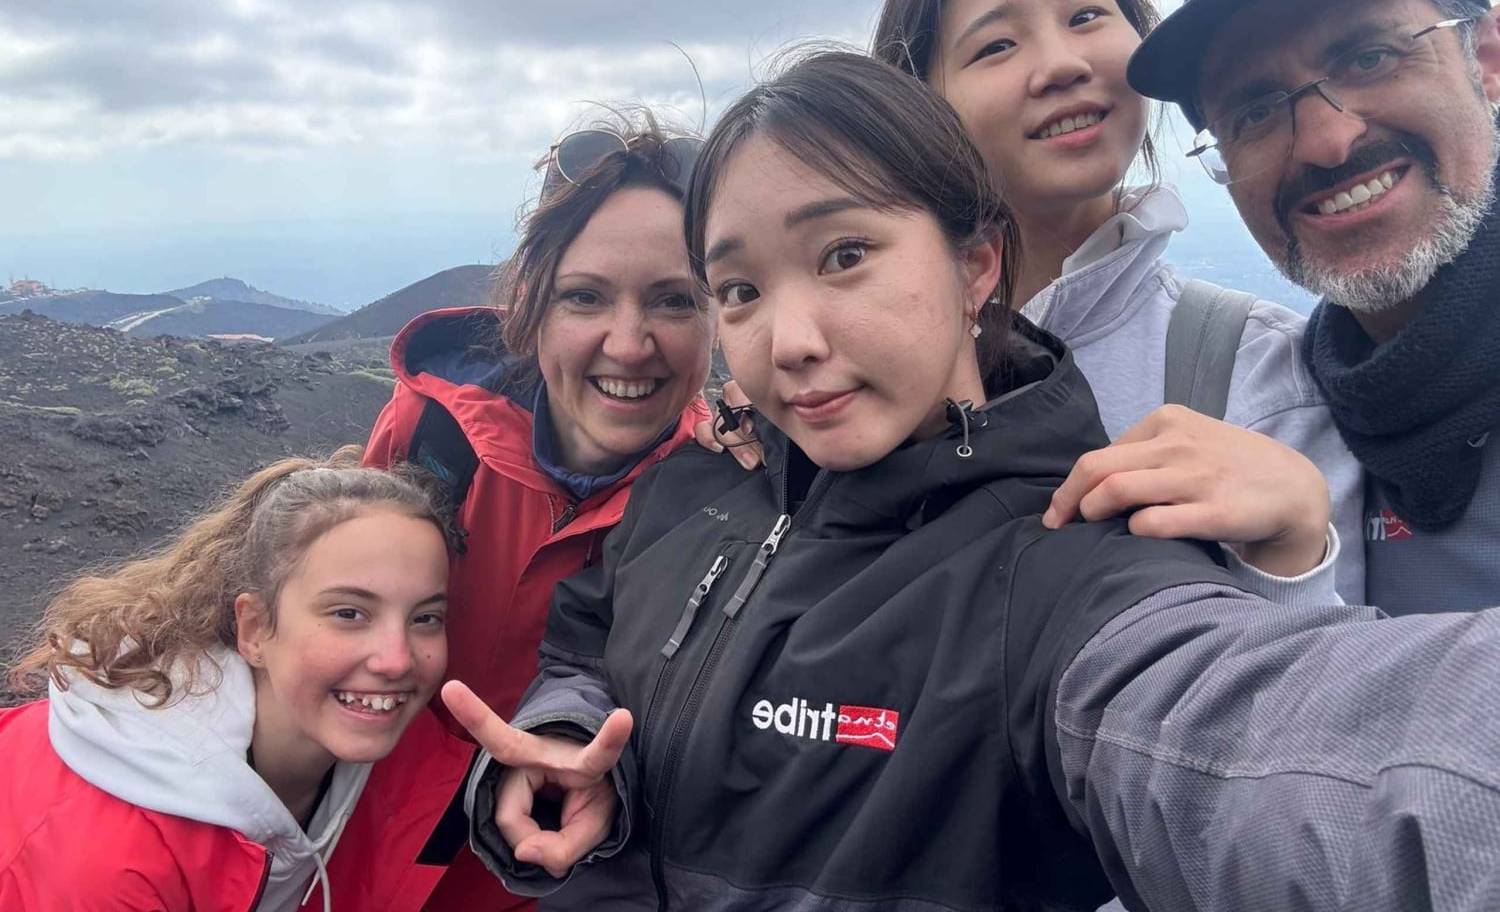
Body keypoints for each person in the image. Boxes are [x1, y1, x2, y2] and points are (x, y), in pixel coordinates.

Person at [448, 52, 1500, 911]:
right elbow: (588, 639)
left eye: (846, 252)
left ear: (977, 264)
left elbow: (1286, 749)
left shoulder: (1066, 564)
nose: (792, 339)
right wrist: (563, 738)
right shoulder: (696, 487)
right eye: (739, 289)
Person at [868, 0, 1364, 600]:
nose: (1063, 64)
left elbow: (1342, 689)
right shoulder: (862, 366)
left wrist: (1291, 559)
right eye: (997, 44)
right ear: (917, 107)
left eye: (1087, 16)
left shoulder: (1256, 370)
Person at [350, 111, 715, 908]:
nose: (628, 342)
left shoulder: (727, 499)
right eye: (585, 297)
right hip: (351, 858)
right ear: (531, 303)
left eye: (675, 302)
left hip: (549, 880)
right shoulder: (432, 429)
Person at [1128, 0, 1500, 615]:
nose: (1327, 141)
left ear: (1486, 61)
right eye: (1257, 111)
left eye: (1369, 58)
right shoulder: (1297, 404)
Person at [0, 447, 451, 911]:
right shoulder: (105, 862)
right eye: (349, 613)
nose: (397, 660)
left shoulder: (406, 756)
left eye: (426, 618)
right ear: (254, 629)